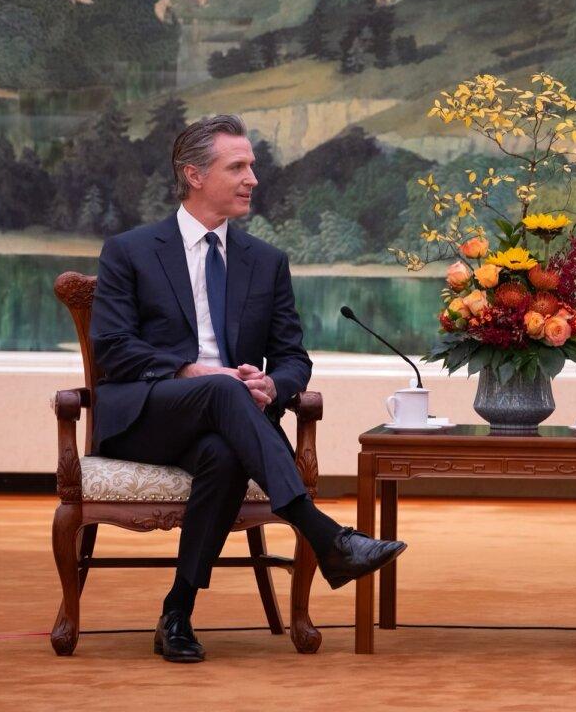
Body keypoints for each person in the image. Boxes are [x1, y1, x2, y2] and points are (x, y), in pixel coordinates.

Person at [91, 114, 406, 663]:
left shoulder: (265, 262)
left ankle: (177, 613)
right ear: (193, 174)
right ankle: (323, 534)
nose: (252, 178)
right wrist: (193, 371)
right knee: (219, 391)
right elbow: (113, 349)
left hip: (227, 421)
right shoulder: (131, 251)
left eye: (252, 166)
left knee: (224, 449)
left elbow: (292, 358)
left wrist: (270, 384)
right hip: (147, 416)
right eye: (237, 167)